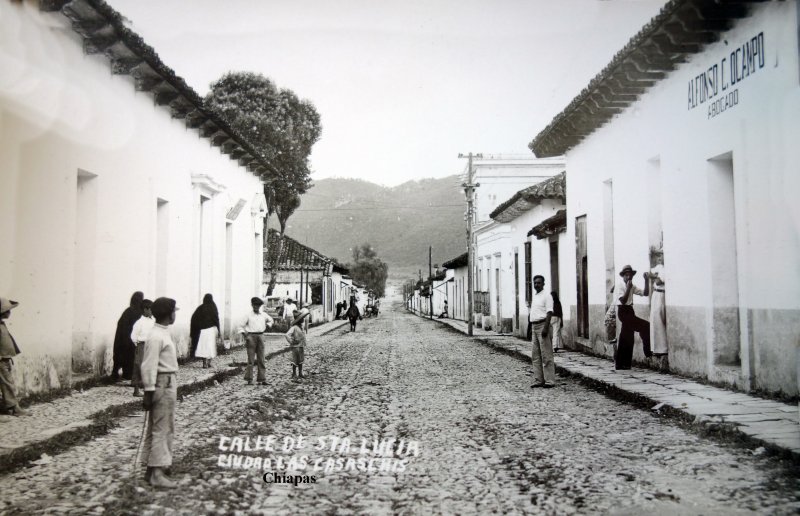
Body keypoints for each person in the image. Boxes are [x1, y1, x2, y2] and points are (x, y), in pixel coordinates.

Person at [141, 297, 179, 488]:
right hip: (161, 383)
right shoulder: (156, 336)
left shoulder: (163, 333)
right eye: (174, 311)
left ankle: (152, 469)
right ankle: (157, 472)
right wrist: (149, 390)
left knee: (162, 425)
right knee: (161, 427)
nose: (175, 315)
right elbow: (148, 365)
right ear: (168, 314)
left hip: (168, 381)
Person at [615, 264, 652, 370]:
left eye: (630, 275)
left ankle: (623, 364)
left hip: (630, 311)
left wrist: (646, 280)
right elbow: (623, 300)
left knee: (627, 336)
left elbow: (645, 293)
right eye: (626, 275)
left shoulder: (632, 285)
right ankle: (648, 352)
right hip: (623, 311)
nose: (628, 277)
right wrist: (628, 288)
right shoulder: (620, 286)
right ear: (623, 276)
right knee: (645, 326)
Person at [0, 297, 29, 416]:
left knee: (8, 383)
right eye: (8, 311)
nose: (9, 313)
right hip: (1, 359)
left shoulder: (2, 324)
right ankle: (14, 408)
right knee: (8, 383)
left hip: (5, 358)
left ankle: (11, 407)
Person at [237, 297, 274, 386]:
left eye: (258, 305)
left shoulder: (264, 315)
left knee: (261, 359)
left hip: (261, 336)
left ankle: (262, 379)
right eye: (255, 305)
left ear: (260, 306)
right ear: (252, 305)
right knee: (251, 360)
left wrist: (269, 325)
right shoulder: (248, 315)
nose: (256, 307)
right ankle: (249, 379)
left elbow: (271, 320)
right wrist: (245, 335)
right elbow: (240, 326)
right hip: (251, 337)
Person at [527, 275, 556, 388]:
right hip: (534, 326)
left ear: (543, 284)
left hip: (543, 325)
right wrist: (530, 329)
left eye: (539, 283)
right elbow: (533, 313)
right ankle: (539, 379)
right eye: (535, 283)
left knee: (546, 354)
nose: (536, 285)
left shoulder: (547, 296)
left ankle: (550, 380)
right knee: (535, 355)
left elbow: (549, 312)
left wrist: (545, 328)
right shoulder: (535, 296)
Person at [111, 291, 144, 381]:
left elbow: (121, 325)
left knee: (122, 355)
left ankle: (118, 374)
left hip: (123, 339)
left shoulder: (128, 311)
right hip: (131, 339)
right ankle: (128, 374)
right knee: (131, 357)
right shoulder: (140, 313)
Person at [130, 299, 154, 397]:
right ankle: (136, 390)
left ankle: (147, 388)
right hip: (142, 346)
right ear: (145, 310)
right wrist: (138, 343)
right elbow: (133, 336)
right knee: (139, 366)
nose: (152, 312)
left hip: (150, 346)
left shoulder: (152, 321)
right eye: (150, 310)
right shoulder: (139, 322)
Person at [191, 294, 221, 369]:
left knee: (204, 346)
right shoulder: (213, 307)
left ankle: (204, 363)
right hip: (211, 330)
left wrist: (197, 328)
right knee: (211, 346)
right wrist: (219, 330)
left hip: (203, 331)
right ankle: (209, 363)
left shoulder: (200, 308)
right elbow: (216, 319)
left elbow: (194, 318)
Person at [648, 262, 668, 363]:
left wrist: (654, 276)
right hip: (656, 294)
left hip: (661, 295)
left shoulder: (665, 269)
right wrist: (654, 275)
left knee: (660, 319)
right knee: (654, 320)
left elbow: (659, 281)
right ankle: (656, 349)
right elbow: (648, 273)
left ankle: (662, 349)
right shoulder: (659, 267)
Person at [286, 308, 310, 380]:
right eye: (302, 318)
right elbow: (287, 335)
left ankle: (300, 373)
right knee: (295, 360)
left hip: (301, 346)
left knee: (301, 360)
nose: (303, 320)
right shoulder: (294, 327)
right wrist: (291, 341)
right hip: (295, 347)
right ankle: (294, 374)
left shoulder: (300, 327)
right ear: (299, 320)